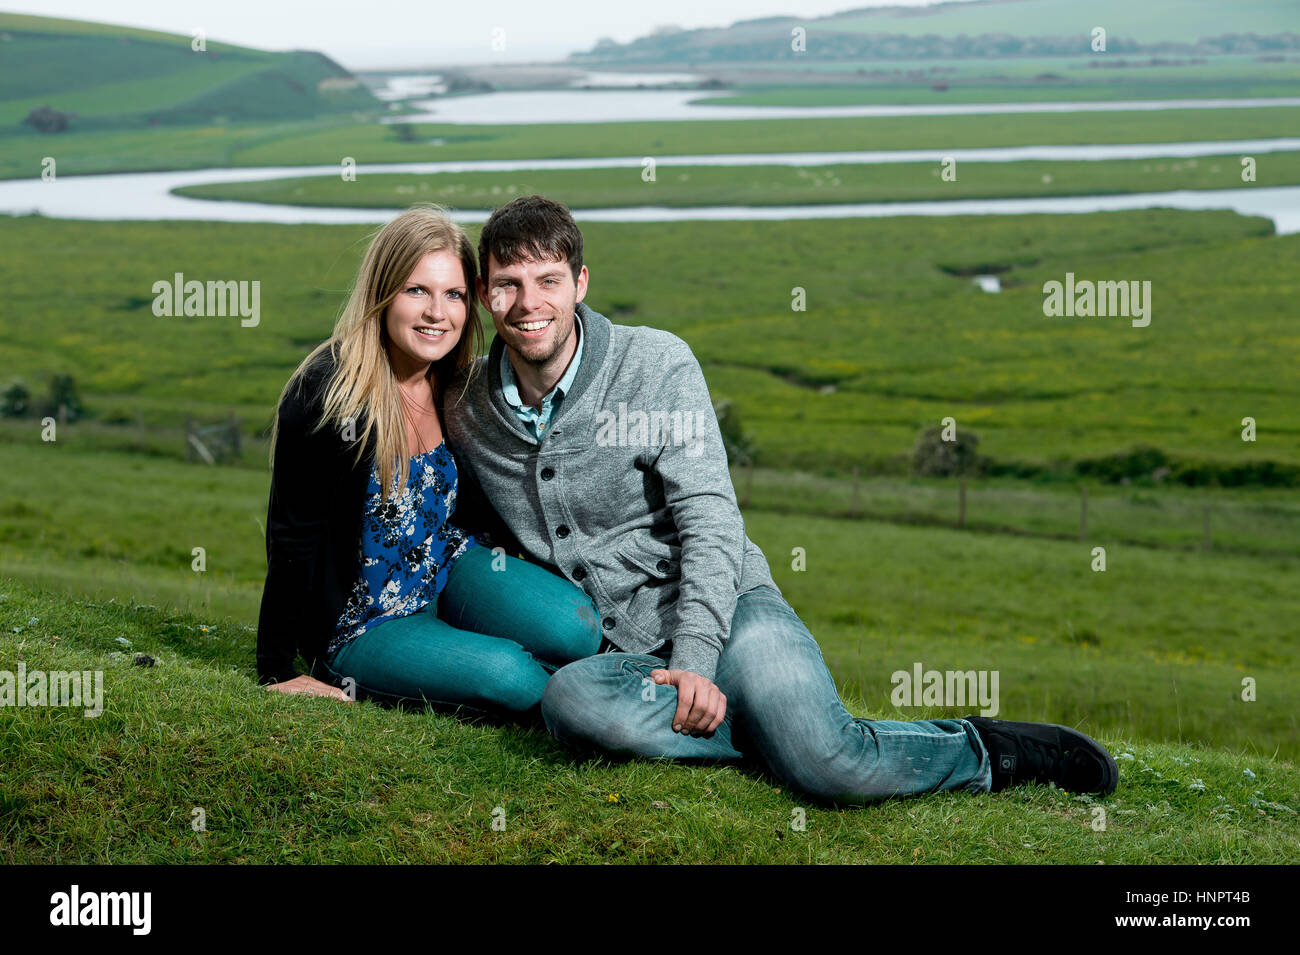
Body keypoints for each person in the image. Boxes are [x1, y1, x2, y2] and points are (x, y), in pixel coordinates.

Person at [445, 194, 1118, 804]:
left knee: (833, 769)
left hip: (730, 608)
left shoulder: (655, 365)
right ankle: (785, 736)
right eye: (508, 284)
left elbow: (709, 519)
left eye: (548, 281)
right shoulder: (469, 407)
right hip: (615, 658)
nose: (529, 303)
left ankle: (984, 750)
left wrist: (696, 664)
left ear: (580, 284)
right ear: (483, 294)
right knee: (571, 704)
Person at [255, 205, 602, 714]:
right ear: (382, 292)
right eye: (416, 290)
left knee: (577, 626)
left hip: (449, 565)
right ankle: (624, 715)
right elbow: (293, 536)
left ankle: (648, 685)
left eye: (454, 295)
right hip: (368, 620)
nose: (437, 313)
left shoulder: (453, 381)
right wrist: (276, 668)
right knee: (513, 675)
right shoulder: (327, 396)